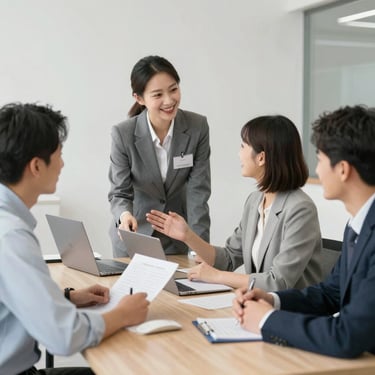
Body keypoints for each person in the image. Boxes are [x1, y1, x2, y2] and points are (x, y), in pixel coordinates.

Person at [0, 103, 149, 375]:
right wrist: (123, 314)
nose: (62, 163)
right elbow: (63, 337)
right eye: (59, 154)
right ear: (36, 166)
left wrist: (68, 298)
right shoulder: (10, 235)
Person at [233, 105, 375, 358]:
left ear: (342, 169)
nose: (316, 170)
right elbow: (331, 293)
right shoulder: (358, 223)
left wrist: (267, 320)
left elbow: (347, 335)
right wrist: (273, 301)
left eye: (319, 159)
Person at [146, 115, 322, 290]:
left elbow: (278, 282)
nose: (239, 154)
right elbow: (229, 259)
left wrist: (216, 276)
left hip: (291, 312)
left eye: (243, 146)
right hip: (259, 305)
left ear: (261, 158)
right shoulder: (255, 201)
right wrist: (187, 236)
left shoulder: (300, 209)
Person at [108, 55, 211, 257]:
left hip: (177, 239)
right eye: (157, 95)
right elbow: (119, 192)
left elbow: (198, 193)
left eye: (173, 89)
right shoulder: (123, 134)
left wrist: (200, 248)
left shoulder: (197, 127)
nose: (169, 100)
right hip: (134, 238)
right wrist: (124, 215)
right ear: (139, 98)